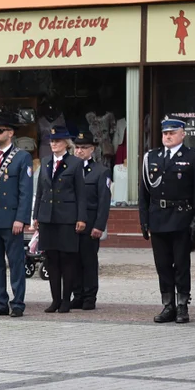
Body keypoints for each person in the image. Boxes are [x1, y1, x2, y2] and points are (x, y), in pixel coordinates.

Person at [139, 117, 195, 324]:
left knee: (181, 265)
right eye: (165, 133)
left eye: (172, 133)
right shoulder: (152, 157)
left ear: (183, 134)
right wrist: (144, 221)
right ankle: (168, 305)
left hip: (182, 219)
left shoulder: (194, 157)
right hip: (158, 218)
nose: (168, 136)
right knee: (163, 265)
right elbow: (144, 194)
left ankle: (182, 305)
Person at [0, 113, 33, 318]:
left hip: (10, 219)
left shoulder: (22, 156)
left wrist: (21, 218)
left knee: (16, 262)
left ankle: (17, 302)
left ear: (10, 133)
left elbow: (25, 191)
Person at [32, 127, 86, 313]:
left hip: (67, 217)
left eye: (57, 141)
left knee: (67, 260)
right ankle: (55, 300)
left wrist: (81, 218)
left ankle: (65, 300)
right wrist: (36, 215)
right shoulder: (46, 162)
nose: (53, 143)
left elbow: (81, 193)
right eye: (52, 141)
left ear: (66, 143)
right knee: (51, 259)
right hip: (48, 216)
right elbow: (40, 191)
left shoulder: (75, 163)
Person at [70, 131, 110, 310]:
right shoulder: (69, 169)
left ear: (92, 149)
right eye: (76, 147)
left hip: (90, 223)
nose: (79, 151)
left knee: (88, 261)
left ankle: (89, 297)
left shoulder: (101, 171)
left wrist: (99, 225)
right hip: (71, 223)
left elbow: (104, 201)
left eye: (83, 148)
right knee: (73, 261)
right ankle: (77, 295)